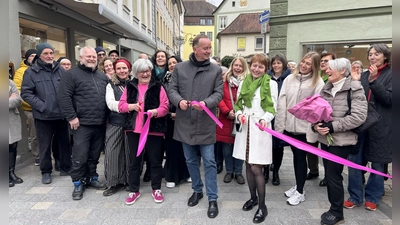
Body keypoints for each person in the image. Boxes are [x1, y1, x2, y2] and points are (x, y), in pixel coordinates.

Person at [168, 34, 223, 219]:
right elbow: (172, 90)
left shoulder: (215, 70)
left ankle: (213, 198)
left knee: (209, 161)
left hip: (205, 123)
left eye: (210, 48)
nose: (209, 51)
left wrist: (206, 103)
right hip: (185, 122)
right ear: (195, 49)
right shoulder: (180, 68)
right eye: (206, 48)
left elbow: (218, 93)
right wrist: (179, 101)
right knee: (190, 160)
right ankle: (197, 190)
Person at [312, 58, 367, 225]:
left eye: (330, 68)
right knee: (329, 175)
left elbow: (359, 117)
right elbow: (316, 112)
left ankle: (337, 213)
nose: (326, 71)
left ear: (343, 70)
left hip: (342, 141)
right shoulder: (325, 89)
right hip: (325, 140)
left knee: (333, 175)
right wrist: (316, 126)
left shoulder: (355, 88)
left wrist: (333, 126)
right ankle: (333, 209)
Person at [344, 43, 392, 211]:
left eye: (376, 54)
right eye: (370, 54)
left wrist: (373, 82)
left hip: (381, 126)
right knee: (354, 161)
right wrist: (356, 82)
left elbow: (389, 100)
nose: (372, 57)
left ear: (385, 56)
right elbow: (354, 99)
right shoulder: (363, 75)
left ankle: (373, 196)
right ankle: (355, 195)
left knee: (378, 164)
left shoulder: (392, 75)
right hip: (362, 125)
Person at [57, 46, 109, 200]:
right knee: (80, 155)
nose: (92, 59)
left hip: (99, 123)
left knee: (94, 154)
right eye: (89, 57)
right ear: (81, 58)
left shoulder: (102, 76)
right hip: (81, 124)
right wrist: (71, 117)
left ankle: (92, 177)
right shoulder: (71, 75)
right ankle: (78, 182)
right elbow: (63, 97)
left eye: (94, 57)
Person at [274, 51, 325, 206]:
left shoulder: (318, 82)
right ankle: (298, 185)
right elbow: (282, 102)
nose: (303, 65)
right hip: (289, 126)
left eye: (308, 63)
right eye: (303, 62)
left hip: (304, 129)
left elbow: (317, 108)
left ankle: (301, 192)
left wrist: (312, 126)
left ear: (314, 67)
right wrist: (280, 127)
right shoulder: (290, 78)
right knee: (296, 159)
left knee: (300, 159)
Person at [232, 54, 278, 223]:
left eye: (260, 67)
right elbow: (238, 105)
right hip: (245, 129)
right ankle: (252, 198)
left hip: (260, 130)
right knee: (247, 163)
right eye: (254, 66)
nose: (256, 69)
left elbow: (273, 108)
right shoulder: (244, 82)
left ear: (266, 69)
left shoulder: (271, 84)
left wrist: (264, 119)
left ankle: (262, 206)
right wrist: (239, 116)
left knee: (256, 168)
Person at [118, 59, 169, 204]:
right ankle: (134, 190)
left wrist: (155, 112)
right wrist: (132, 106)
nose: (145, 74)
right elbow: (121, 106)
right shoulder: (130, 86)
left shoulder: (158, 86)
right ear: (136, 73)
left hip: (154, 130)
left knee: (155, 160)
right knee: (134, 161)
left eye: (147, 71)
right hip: (134, 130)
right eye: (142, 71)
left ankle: (156, 188)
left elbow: (165, 106)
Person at [21, 43, 72, 184]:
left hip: (61, 114)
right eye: (46, 53)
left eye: (51, 53)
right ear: (39, 55)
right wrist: (42, 106)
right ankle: (46, 171)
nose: (49, 56)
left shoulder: (60, 70)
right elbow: (26, 93)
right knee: (45, 145)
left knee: (64, 142)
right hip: (44, 116)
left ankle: (64, 166)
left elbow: (68, 89)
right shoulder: (31, 72)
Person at [216, 57, 249, 185]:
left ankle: (239, 172)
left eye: (240, 66)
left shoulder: (248, 82)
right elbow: (219, 98)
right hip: (226, 119)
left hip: (241, 119)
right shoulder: (224, 82)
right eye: (236, 65)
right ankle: (229, 171)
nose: (238, 68)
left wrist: (240, 113)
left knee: (239, 147)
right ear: (232, 66)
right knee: (227, 148)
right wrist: (227, 111)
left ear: (244, 68)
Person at [307, 52, 337, 187]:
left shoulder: (330, 79)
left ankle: (327, 175)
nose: (324, 63)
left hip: (328, 118)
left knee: (327, 149)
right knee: (312, 146)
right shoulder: (318, 77)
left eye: (327, 61)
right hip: (316, 118)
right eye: (322, 61)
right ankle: (313, 170)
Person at [103, 58, 132, 196]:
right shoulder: (111, 85)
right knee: (112, 152)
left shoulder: (134, 83)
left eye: (124, 68)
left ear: (129, 69)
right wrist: (126, 107)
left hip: (132, 123)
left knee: (130, 154)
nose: (122, 71)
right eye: (119, 68)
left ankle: (129, 180)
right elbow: (110, 103)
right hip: (116, 122)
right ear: (115, 70)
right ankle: (113, 183)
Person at [163, 55, 191, 188]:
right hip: (170, 119)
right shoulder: (163, 82)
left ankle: (186, 174)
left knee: (184, 148)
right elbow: (162, 101)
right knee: (171, 148)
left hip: (184, 118)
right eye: (169, 63)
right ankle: (171, 176)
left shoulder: (186, 80)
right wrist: (170, 113)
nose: (172, 65)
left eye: (174, 62)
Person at [266, 53, 291, 186]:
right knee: (266, 145)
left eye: (279, 63)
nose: (276, 65)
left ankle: (275, 172)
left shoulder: (289, 78)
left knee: (278, 147)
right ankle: (265, 171)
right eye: (274, 63)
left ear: (284, 64)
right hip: (267, 116)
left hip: (281, 117)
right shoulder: (266, 77)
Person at [13, 49, 39, 166]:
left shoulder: (40, 69)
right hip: (31, 108)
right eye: (31, 56)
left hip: (45, 108)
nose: (33, 58)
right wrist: (33, 103)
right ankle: (37, 156)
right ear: (27, 58)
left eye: (35, 56)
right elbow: (19, 91)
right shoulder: (21, 72)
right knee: (34, 135)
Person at [9, 79, 24, 187]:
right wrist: (9, 100)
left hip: (11, 118)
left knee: (13, 145)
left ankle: (11, 172)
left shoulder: (9, 82)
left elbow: (18, 100)